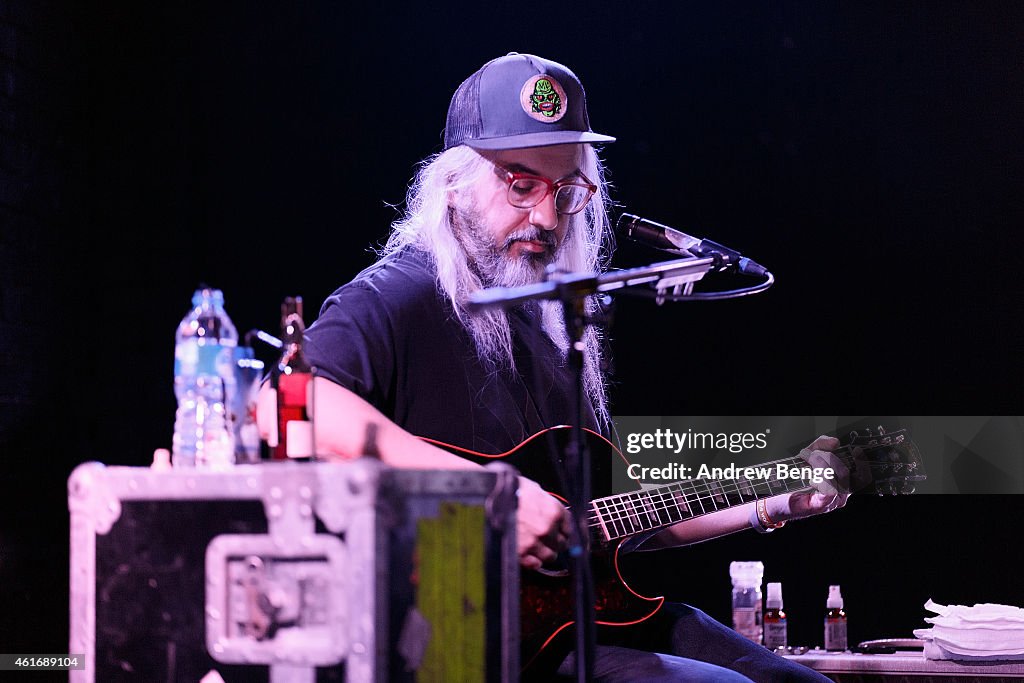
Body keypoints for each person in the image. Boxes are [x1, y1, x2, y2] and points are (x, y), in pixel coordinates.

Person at [259, 53, 845, 682]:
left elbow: (611, 520)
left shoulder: (556, 321)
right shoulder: (401, 293)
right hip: (456, 632)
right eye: (520, 184)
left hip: (581, 619)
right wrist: (493, 494)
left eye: (565, 191)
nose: (545, 216)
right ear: (454, 184)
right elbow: (284, 403)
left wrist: (771, 500)